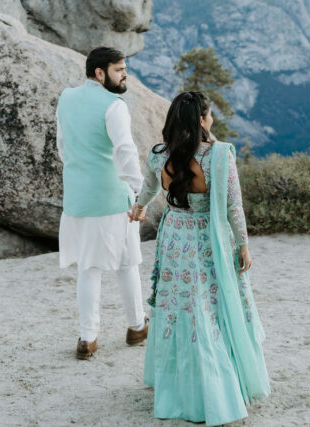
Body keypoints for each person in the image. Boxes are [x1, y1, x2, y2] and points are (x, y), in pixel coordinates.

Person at [131, 91, 270, 424]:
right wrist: (243, 245)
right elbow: (234, 206)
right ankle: (214, 391)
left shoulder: (157, 155)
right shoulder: (218, 156)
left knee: (179, 306)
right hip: (206, 240)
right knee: (207, 309)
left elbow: (150, 188)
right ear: (203, 120)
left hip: (173, 236)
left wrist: (138, 206)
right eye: (209, 116)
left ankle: (177, 386)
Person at [56, 46, 149, 360]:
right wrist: (139, 195)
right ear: (100, 73)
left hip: (77, 198)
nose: (125, 75)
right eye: (119, 70)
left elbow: (62, 148)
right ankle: (136, 328)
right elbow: (126, 152)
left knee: (88, 267)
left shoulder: (66, 99)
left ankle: (87, 338)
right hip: (111, 199)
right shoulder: (114, 106)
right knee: (127, 263)